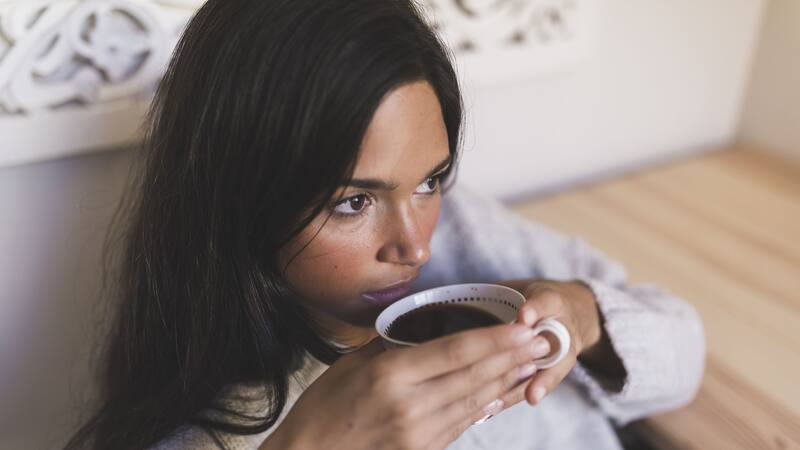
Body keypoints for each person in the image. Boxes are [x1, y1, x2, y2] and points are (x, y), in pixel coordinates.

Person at [64, 0, 705, 449]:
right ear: (241, 200)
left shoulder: (461, 233)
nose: (416, 244)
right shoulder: (208, 425)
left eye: (430, 180)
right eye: (353, 202)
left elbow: (683, 355)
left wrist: (583, 313)